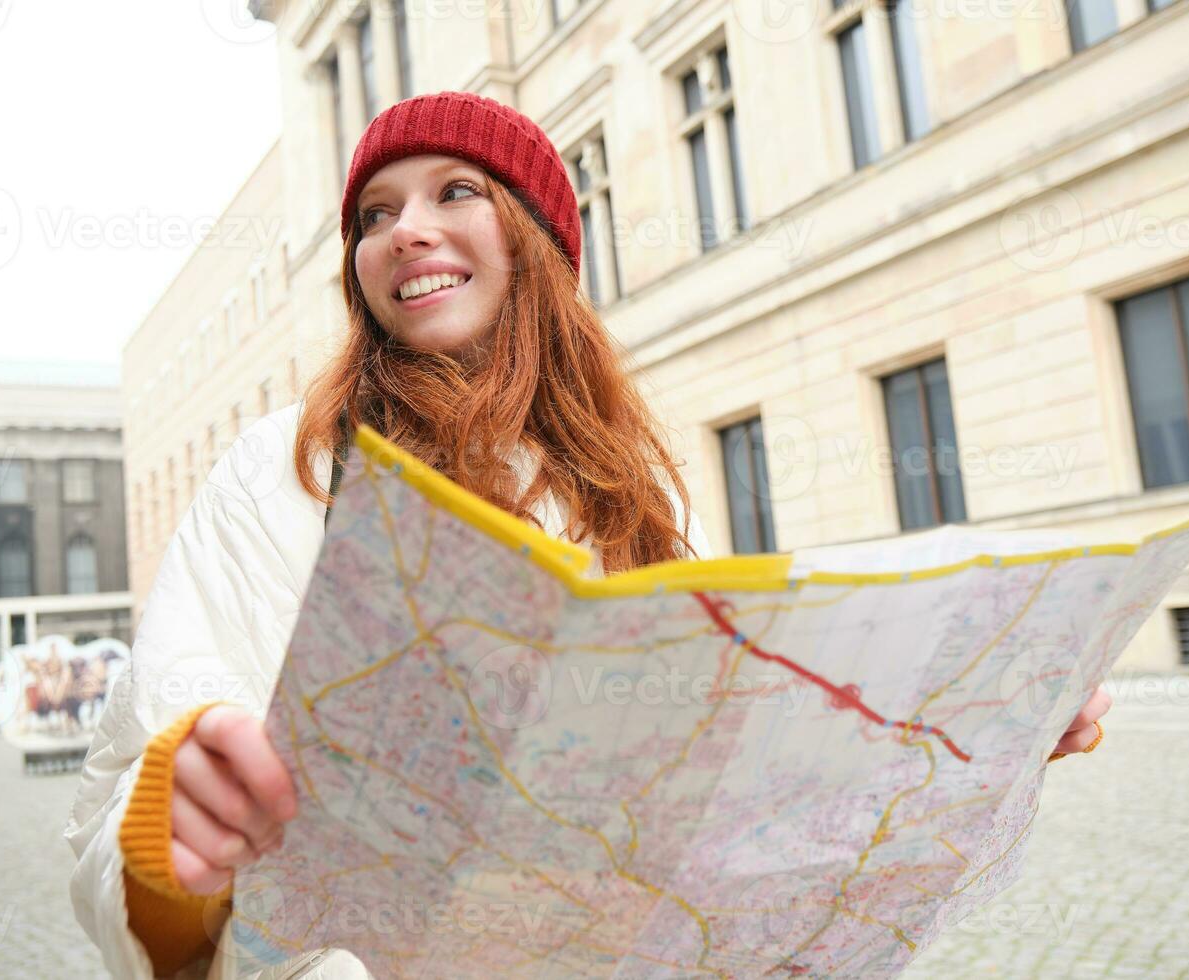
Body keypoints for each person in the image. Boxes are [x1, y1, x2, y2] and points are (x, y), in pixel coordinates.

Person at [65, 91, 1110, 980]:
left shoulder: (641, 501)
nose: (404, 230)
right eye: (374, 214)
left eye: (455, 191)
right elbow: (131, 800)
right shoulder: (280, 473)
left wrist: (991, 724)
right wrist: (172, 845)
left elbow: (753, 790)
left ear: (537, 240)